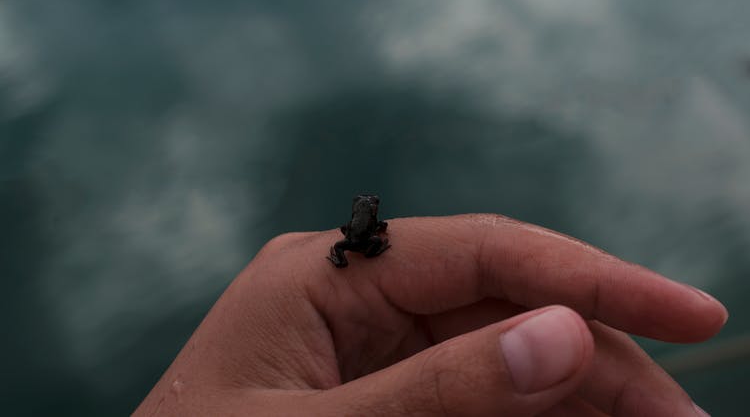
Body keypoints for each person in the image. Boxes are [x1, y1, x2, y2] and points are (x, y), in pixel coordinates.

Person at [135, 214, 726, 416]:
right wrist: (353, 246)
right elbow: (350, 238)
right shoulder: (357, 230)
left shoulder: (365, 226)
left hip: (364, 248)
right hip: (361, 249)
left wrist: (361, 242)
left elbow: (362, 234)